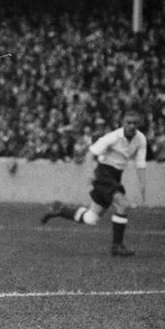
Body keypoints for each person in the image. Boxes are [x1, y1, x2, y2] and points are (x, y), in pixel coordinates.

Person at [41, 108, 147, 256]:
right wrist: (90, 173)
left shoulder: (140, 139)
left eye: (135, 123)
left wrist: (142, 185)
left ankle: (60, 210)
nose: (132, 126)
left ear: (139, 124)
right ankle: (117, 246)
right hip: (103, 174)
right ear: (123, 122)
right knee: (122, 204)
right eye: (129, 122)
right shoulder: (113, 137)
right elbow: (91, 153)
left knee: (91, 218)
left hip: (115, 177)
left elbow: (140, 163)